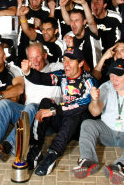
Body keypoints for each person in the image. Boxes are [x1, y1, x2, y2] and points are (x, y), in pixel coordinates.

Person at [0, 42, 63, 161]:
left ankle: (7, 147)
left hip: (47, 119)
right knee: (4, 103)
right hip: (27, 116)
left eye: (38, 56)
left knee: (32, 106)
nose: (35, 61)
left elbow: (76, 69)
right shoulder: (26, 71)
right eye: (31, 58)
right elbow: (18, 89)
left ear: (45, 56)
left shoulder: (57, 68)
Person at [73, 59, 124, 184]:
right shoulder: (106, 87)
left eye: (119, 76)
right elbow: (94, 112)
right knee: (87, 124)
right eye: (112, 75)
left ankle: (120, 165)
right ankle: (88, 160)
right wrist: (94, 100)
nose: (114, 80)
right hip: (107, 130)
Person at [23, 47, 96, 176]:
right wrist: (28, 72)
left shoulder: (88, 80)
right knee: (45, 101)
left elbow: (82, 104)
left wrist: (54, 110)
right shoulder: (62, 76)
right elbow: (42, 78)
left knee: (74, 113)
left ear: (80, 63)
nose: (66, 64)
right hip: (63, 121)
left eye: (71, 61)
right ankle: (36, 149)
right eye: (65, 60)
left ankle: (52, 154)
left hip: (78, 128)